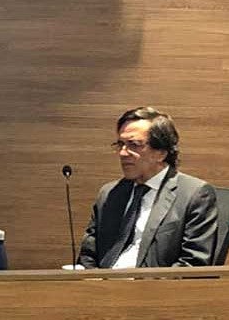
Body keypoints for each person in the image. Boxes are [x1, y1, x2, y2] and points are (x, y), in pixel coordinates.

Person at [77, 107, 217, 268]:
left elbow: (193, 264)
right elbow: (88, 255)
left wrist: (141, 289)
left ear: (161, 152)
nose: (123, 153)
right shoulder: (110, 193)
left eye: (134, 145)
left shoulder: (194, 194)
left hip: (154, 289)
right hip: (101, 288)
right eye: (120, 144)